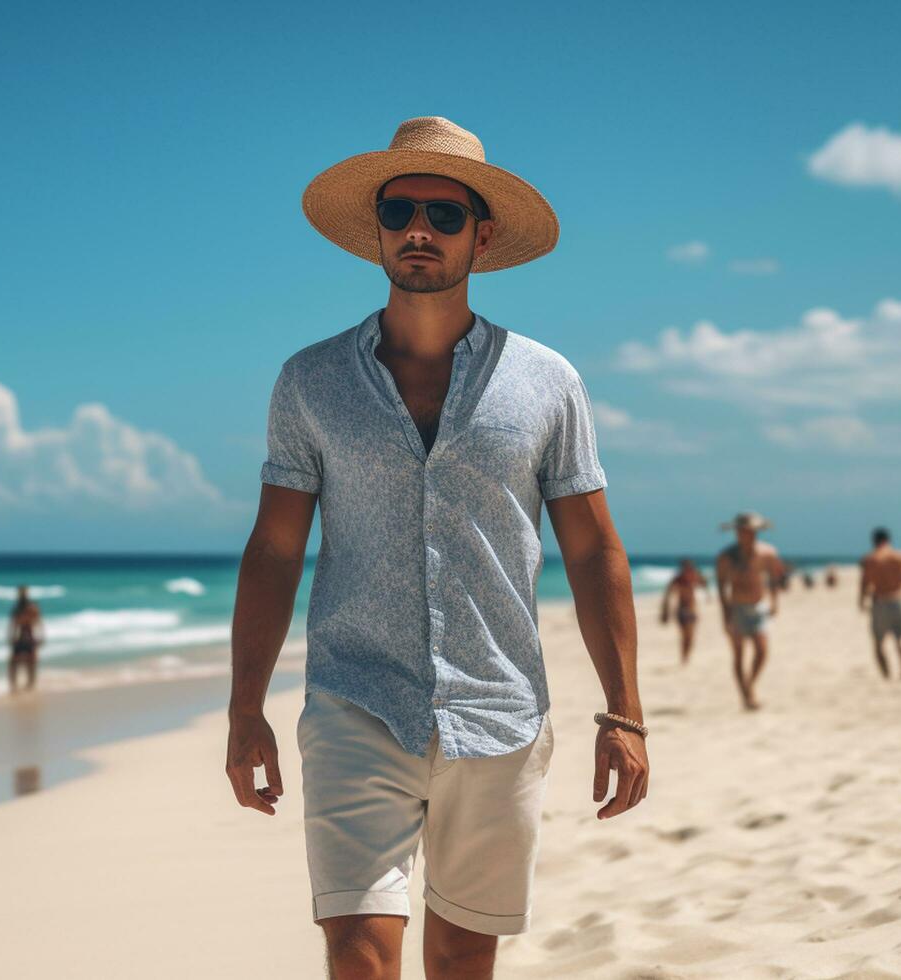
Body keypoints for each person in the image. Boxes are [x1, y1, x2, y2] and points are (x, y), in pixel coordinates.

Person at [227, 116, 649, 980]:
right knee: (359, 957)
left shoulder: (547, 382)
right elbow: (274, 550)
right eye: (400, 210)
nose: (419, 228)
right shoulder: (310, 381)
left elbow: (593, 547)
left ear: (481, 236)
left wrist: (624, 711)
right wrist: (244, 710)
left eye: (443, 214)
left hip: (497, 709)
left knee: (461, 960)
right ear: (377, 230)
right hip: (355, 698)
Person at [715, 513, 784, 711]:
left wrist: (775, 602)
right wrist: (725, 614)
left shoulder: (767, 553)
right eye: (744, 531)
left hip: (758, 607)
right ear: (737, 532)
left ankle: (749, 685)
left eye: (752, 531)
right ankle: (746, 695)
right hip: (736, 608)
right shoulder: (726, 556)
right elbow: (721, 586)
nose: (748, 535)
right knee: (738, 654)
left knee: (762, 651)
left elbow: (773, 579)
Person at [859, 527, 901, 680]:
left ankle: (887, 675)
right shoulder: (900, 557)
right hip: (898, 599)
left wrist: (861, 602)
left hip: (879, 602)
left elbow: (864, 584)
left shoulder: (869, 559)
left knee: (878, 642)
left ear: (873, 541)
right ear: (888, 540)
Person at [659, 559, 707, 664]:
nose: (687, 570)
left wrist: (699, 574)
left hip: (693, 610)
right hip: (682, 611)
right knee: (685, 636)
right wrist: (665, 612)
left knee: (690, 637)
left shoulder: (694, 577)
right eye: (686, 567)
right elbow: (667, 596)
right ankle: (684, 658)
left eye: (689, 567)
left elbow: (704, 584)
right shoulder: (677, 580)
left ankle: (685, 657)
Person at [6, 585, 43, 694]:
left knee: (30, 663)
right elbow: (13, 624)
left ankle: (30, 685)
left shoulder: (30, 607)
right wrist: (11, 636)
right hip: (20, 637)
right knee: (15, 663)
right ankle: (15, 686)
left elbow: (38, 622)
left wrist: (41, 635)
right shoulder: (17, 608)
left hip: (28, 636)